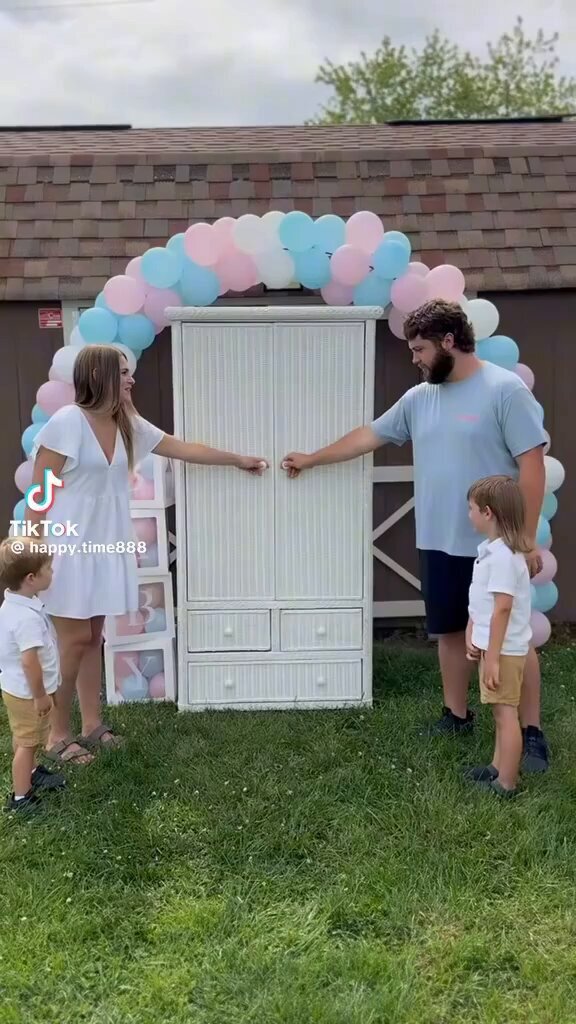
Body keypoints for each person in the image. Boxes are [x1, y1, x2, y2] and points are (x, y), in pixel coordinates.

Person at [282, 299, 549, 772]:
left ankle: (532, 734)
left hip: (498, 547)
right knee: (449, 631)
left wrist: (523, 540)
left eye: (420, 349)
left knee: (513, 640)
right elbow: (368, 436)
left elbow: (532, 465)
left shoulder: (505, 390)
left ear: (449, 341)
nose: (415, 359)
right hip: (438, 539)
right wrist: (312, 458)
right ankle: (457, 716)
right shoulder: (418, 398)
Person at [25, 344, 268, 768]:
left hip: (107, 547)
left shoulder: (127, 425)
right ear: (99, 376)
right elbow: (39, 494)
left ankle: (92, 725)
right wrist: (32, 555)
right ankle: (56, 736)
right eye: (123, 372)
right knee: (73, 641)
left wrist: (237, 460)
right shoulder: (67, 422)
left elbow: (182, 448)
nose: (131, 378)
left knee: (94, 638)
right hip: (68, 550)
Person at [464, 476, 532, 797]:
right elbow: (482, 601)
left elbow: (502, 609)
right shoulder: (490, 553)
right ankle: (496, 766)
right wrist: (472, 631)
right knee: (499, 711)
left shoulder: (504, 558)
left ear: (488, 512)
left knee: (506, 714)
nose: (469, 515)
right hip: (494, 647)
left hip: (503, 651)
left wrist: (492, 658)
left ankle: (506, 783)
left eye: (471, 509)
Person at [0, 537, 66, 815]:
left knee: (26, 736)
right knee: (27, 744)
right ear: (31, 578)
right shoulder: (25, 619)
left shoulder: (15, 605)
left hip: (16, 689)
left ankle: (32, 772)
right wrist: (40, 695)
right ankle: (21, 797)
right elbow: (30, 663)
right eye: (48, 568)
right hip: (29, 693)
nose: (52, 572)